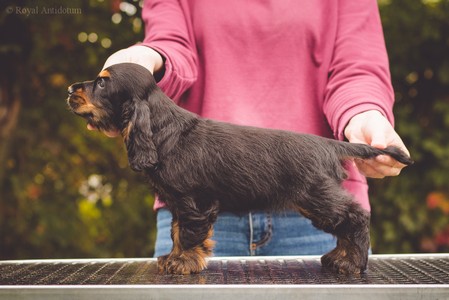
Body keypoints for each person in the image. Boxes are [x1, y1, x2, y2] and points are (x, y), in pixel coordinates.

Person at [97, 0, 410, 257]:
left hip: (308, 210)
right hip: (193, 206)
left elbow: (357, 68)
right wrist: (143, 60)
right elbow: (171, 47)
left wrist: (364, 115)